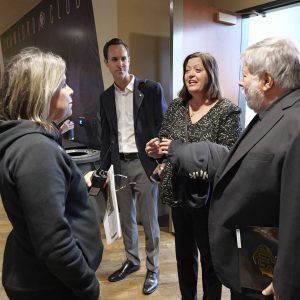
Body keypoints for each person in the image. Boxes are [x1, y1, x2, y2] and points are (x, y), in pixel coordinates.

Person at [168, 37, 300, 300]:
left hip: (272, 279)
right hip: (254, 263)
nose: (241, 82)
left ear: (266, 81)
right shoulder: (272, 113)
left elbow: (296, 211)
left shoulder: (295, 123)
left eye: (245, 76)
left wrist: (286, 279)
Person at [0, 47, 103, 300]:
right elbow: (54, 243)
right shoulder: (36, 150)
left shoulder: (25, 141)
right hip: (51, 285)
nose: (71, 92)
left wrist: (79, 182)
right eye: (64, 84)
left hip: (35, 275)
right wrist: (89, 287)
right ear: (42, 92)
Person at [146, 52, 241, 300]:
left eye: (198, 69)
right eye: (188, 69)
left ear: (211, 74)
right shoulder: (177, 106)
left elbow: (228, 159)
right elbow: (166, 144)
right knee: (184, 257)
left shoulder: (226, 111)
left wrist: (183, 153)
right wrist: (157, 152)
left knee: (210, 260)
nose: (191, 74)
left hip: (208, 200)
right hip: (178, 194)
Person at [89, 38, 167, 295]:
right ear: (106, 63)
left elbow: (163, 127)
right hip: (119, 164)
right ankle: (132, 261)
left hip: (145, 165)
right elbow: (105, 136)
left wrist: (162, 163)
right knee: (126, 219)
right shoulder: (104, 97)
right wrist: (104, 170)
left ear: (129, 59)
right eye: (114, 59)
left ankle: (153, 269)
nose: (120, 63)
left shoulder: (151, 89)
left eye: (124, 58)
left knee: (150, 221)